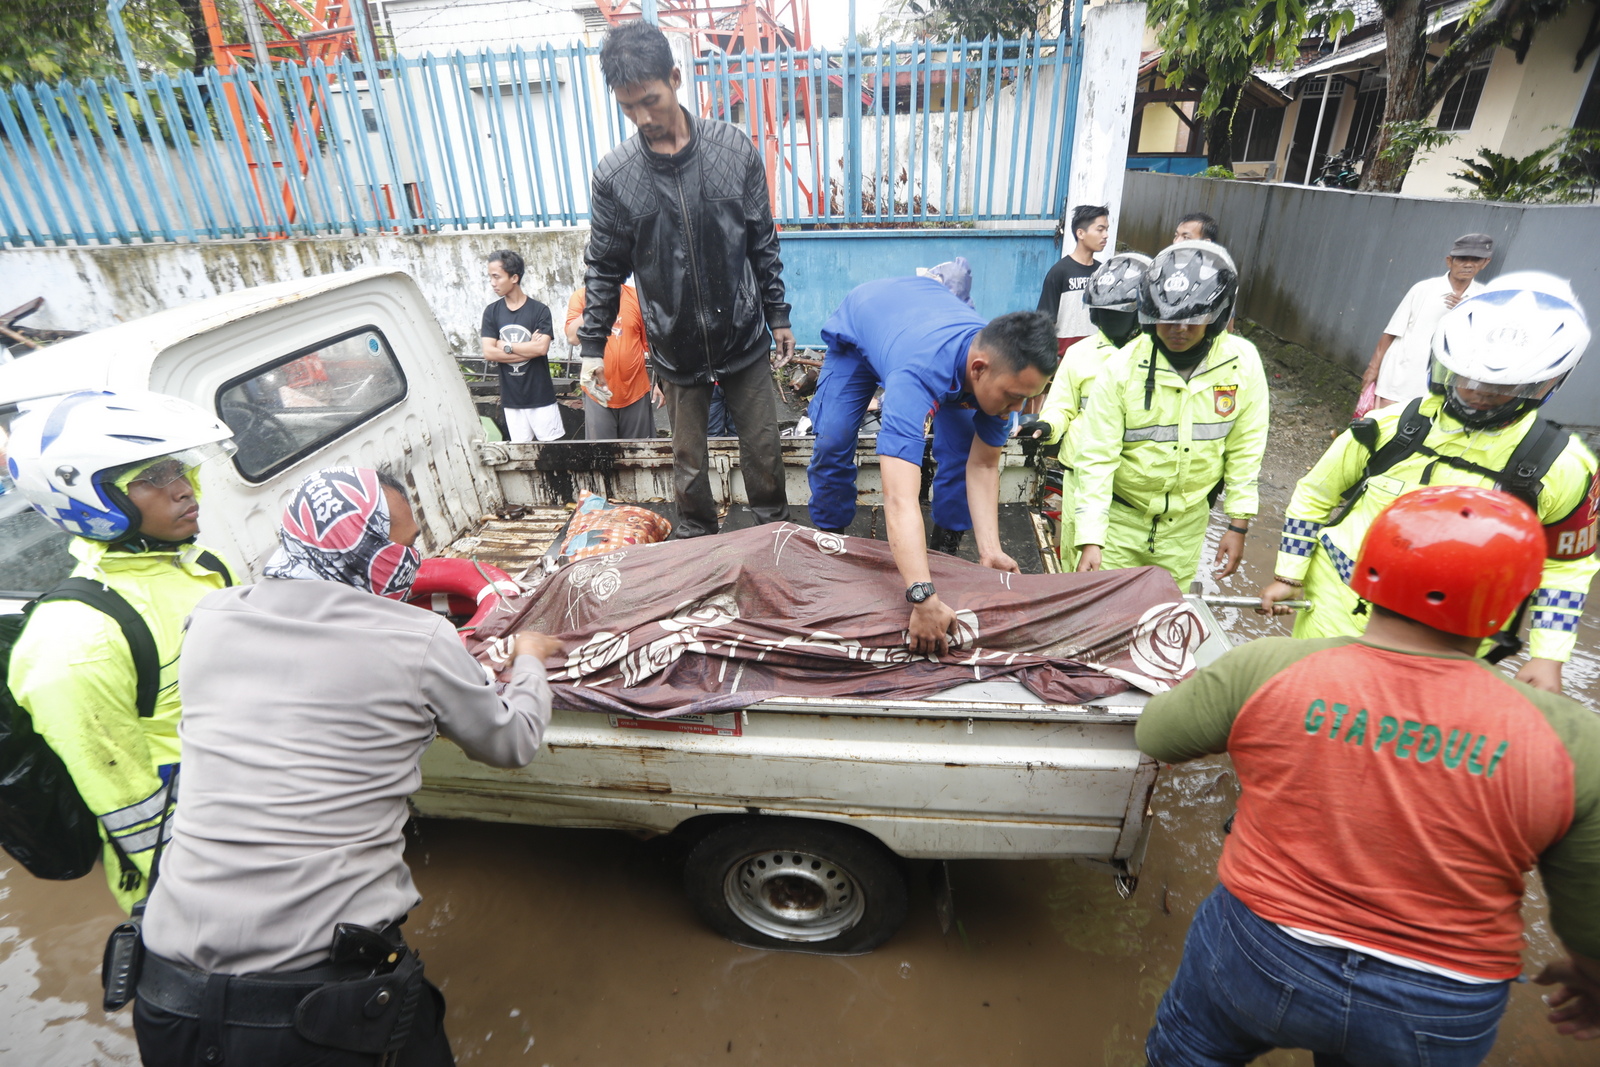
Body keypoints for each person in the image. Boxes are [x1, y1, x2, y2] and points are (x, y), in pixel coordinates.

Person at [1140, 485, 1600, 1066]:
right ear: (1512, 604)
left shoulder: (1267, 669)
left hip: (1258, 949)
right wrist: (1591, 971)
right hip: (1440, 997)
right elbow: (1592, 905)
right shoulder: (1571, 738)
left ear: (1367, 570)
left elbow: (1157, 735)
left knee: (1191, 1051)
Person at [134, 467, 560, 1066]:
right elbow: (511, 743)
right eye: (404, 547)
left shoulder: (210, 618)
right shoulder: (419, 639)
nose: (414, 558)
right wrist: (531, 662)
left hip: (165, 996)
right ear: (366, 551)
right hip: (322, 1010)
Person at [1262, 271, 1599, 694]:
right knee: (1309, 714)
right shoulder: (1385, 427)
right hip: (1335, 611)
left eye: (1499, 388)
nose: (1476, 393)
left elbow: (1565, 569)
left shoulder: (1562, 467)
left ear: (1545, 384)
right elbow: (1314, 494)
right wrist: (1289, 575)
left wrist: (1548, 655)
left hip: (1448, 645)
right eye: (1465, 377)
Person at [5, 390, 236, 912]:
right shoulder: (74, 640)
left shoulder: (199, 566)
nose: (183, 490)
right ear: (92, 499)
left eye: (178, 468)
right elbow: (128, 804)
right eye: (152, 479)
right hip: (197, 868)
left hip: (253, 805)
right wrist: (186, 901)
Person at [580, 21, 792, 537]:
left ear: (675, 78)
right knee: (688, 465)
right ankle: (698, 546)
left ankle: (775, 541)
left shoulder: (732, 150)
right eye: (628, 107)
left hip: (743, 335)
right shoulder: (615, 177)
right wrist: (591, 346)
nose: (643, 117)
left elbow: (761, 240)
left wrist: (777, 313)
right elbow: (605, 267)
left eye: (650, 100)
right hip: (674, 347)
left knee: (764, 451)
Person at [806, 275, 1056, 651]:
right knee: (833, 439)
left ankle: (945, 549)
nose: (1016, 411)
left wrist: (990, 549)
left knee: (959, 453)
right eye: (1013, 398)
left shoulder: (1000, 369)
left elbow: (984, 466)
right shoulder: (918, 375)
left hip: (922, 319)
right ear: (978, 369)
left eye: (1027, 398)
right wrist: (921, 597)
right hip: (865, 326)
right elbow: (899, 498)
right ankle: (832, 540)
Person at [1071, 241, 1269, 587]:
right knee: (1104, 617)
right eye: (1168, 320)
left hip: (1185, 529)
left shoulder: (1242, 363)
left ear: (1218, 316)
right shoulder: (1122, 367)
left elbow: (1245, 448)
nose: (1179, 330)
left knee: (1164, 621)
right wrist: (1090, 537)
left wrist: (1238, 524)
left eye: (1193, 321)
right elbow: (1097, 458)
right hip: (1120, 523)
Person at [1025, 252, 1151, 569]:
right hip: (1082, 477)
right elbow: (1061, 406)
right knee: (1076, 564)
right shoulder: (1081, 354)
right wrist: (1047, 426)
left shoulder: (1158, 361)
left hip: (1134, 487)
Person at [1362, 233, 1493, 408]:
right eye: (1462, 259)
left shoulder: (1484, 298)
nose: (1468, 264)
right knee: (1381, 425)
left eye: (1476, 260)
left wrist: (1466, 311)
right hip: (1401, 377)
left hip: (1440, 383)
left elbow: (1483, 343)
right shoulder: (1423, 289)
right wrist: (1373, 368)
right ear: (1449, 261)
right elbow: (1392, 331)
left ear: (1485, 263)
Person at [480, 249, 561, 443]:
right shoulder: (492, 312)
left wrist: (505, 345)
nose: (493, 283)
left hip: (541, 398)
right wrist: (527, 350)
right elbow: (489, 352)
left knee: (553, 454)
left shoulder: (539, 311)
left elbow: (541, 349)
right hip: (512, 401)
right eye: (490, 277)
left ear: (514, 277)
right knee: (521, 458)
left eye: (497, 277)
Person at [565, 283, 655, 439]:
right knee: (601, 454)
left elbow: (652, 343)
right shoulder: (581, 297)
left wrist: (661, 380)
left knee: (638, 454)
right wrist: (595, 304)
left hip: (635, 391)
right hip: (597, 393)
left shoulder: (636, 296)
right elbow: (572, 337)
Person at [1038, 204, 1109, 354]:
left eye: (1106, 230)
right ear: (1080, 233)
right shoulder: (1059, 272)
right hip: (1064, 361)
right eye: (1100, 229)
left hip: (1096, 358)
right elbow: (1045, 323)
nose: (1105, 235)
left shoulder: (1105, 273)